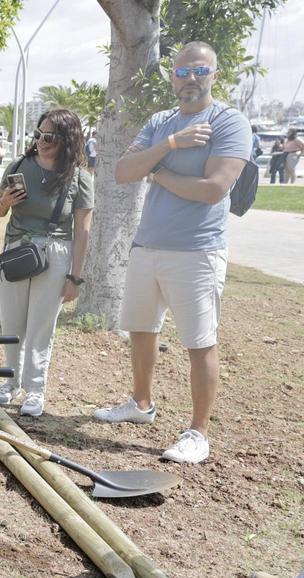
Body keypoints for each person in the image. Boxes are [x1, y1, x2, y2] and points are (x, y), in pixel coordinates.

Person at [94, 42, 251, 464]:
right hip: (148, 245)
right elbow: (123, 171)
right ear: (171, 78)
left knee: (199, 341)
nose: (190, 79)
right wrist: (170, 144)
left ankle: (198, 433)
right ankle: (140, 404)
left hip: (197, 251)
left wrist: (157, 171)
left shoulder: (228, 122)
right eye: (182, 72)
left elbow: (213, 189)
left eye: (199, 70)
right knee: (141, 329)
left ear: (215, 74)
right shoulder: (161, 122)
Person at [0, 109, 94, 417]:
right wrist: (5, 202)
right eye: (38, 135)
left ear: (67, 140)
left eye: (49, 137)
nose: (41, 142)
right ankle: (11, 382)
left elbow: (83, 232)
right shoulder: (18, 166)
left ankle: (35, 390)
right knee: (11, 322)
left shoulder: (79, 178)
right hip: (17, 251)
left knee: (41, 327)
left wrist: (75, 277)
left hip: (55, 255)